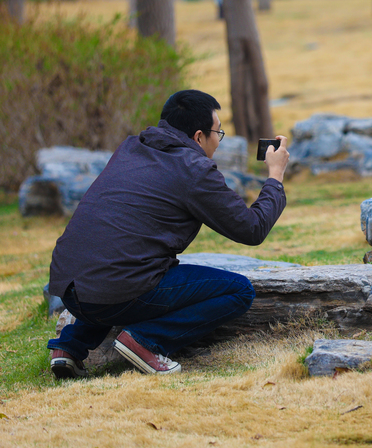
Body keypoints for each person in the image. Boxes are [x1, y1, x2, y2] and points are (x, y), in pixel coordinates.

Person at [46, 90, 289, 378]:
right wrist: (275, 176)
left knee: (120, 271)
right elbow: (252, 228)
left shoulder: (131, 147)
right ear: (199, 136)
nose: (217, 141)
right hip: (117, 291)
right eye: (218, 133)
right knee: (238, 290)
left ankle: (68, 348)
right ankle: (145, 341)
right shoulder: (194, 169)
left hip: (69, 287)